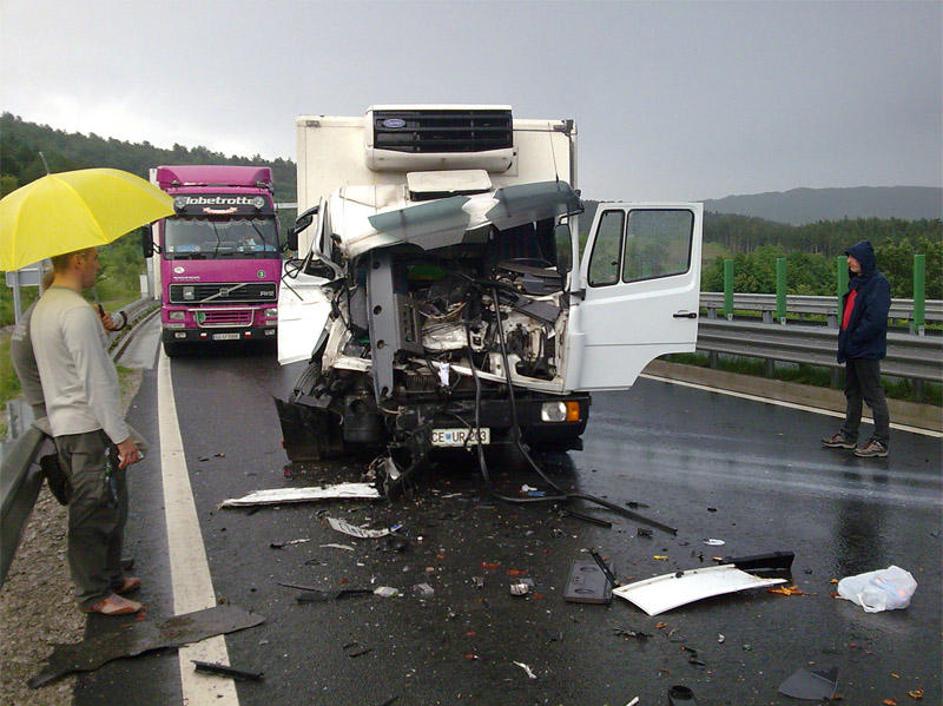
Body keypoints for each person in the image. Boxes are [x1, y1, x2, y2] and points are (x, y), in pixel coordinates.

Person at [30, 247, 144, 615]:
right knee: (94, 509)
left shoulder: (47, 306)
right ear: (78, 260)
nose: (98, 265)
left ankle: (111, 577)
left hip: (69, 423)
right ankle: (95, 594)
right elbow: (96, 381)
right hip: (88, 426)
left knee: (110, 502)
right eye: (93, 258)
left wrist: (100, 328)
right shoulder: (75, 312)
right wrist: (122, 438)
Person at [822, 240, 891, 458]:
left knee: (873, 394)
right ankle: (849, 435)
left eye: (853, 257)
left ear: (864, 260)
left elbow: (875, 320)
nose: (849, 261)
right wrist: (848, 342)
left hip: (865, 349)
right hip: (853, 348)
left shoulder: (878, 284)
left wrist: (855, 339)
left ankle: (881, 441)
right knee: (852, 392)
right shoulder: (857, 283)